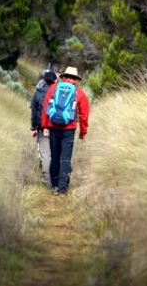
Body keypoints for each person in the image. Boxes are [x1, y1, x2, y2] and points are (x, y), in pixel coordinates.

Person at [41, 66, 90, 195]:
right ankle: (63, 189)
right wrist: (83, 132)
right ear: (76, 79)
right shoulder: (79, 93)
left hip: (53, 126)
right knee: (65, 158)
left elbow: (46, 108)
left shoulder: (54, 88)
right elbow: (84, 115)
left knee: (55, 156)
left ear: (64, 77)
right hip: (69, 129)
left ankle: (55, 186)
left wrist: (45, 126)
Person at [30, 70, 57, 187]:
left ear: (44, 81)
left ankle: (47, 180)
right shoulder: (58, 93)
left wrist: (34, 128)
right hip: (57, 127)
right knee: (56, 153)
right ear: (55, 81)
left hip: (42, 127)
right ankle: (57, 179)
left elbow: (34, 113)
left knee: (45, 154)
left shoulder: (38, 93)